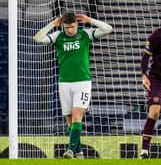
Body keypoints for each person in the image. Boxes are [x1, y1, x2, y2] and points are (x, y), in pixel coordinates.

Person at [34, 12, 112, 158]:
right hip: (64, 84)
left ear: (77, 24)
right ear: (63, 25)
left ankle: (70, 150)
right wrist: (52, 24)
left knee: (77, 117)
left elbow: (108, 29)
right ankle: (79, 153)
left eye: (72, 27)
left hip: (82, 82)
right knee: (70, 121)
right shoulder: (58, 36)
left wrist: (89, 20)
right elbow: (37, 38)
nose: (70, 30)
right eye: (67, 27)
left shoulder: (85, 35)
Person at [140, 12, 161, 158]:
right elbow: (146, 56)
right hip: (157, 79)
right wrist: (144, 75)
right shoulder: (158, 35)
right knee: (155, 111)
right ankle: (144, 150)